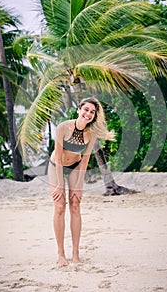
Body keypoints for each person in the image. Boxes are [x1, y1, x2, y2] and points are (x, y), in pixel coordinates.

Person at [48, 97, 114, 266]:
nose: (88, 114)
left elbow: (84, 161)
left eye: (92, 112)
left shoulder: (91, 133)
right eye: (86, 110)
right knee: (60, 205)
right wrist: (59, 186)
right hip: (57, 165)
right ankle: (61, 254)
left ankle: (75, 254)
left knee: (76, 205)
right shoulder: (63, 128)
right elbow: (59, 157)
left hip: (76, 166)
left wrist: (79, 187)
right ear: (79, 110)